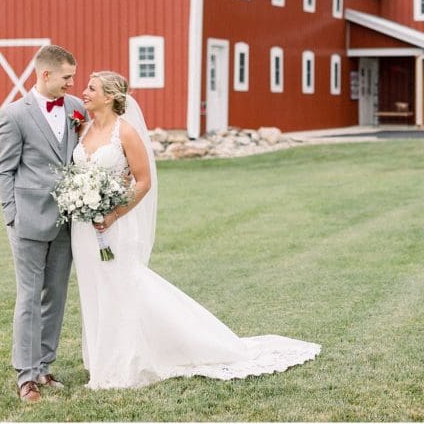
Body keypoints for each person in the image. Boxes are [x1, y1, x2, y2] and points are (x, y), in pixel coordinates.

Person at [71, 71, 319, 389]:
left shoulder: (126, 132)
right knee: (94, 290)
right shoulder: (83, 129)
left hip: (115, 225)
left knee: (122, 288)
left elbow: (143, 181)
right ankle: (101, 359)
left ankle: (128, 361)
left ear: (109, 97)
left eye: (91, 88)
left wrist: (114, 214)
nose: (84, 92)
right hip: (84, 228)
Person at [0, 45, 86, 403]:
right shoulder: (14, 115)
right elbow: (3, 170)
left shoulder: (76, 108)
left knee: (56, 296)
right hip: (28, 220)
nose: (72, 82)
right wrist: (12, 216)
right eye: (67, 76)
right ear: (46, 74)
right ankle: (26, 376)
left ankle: (45, 366)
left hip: (67, 219)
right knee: (29, 297)